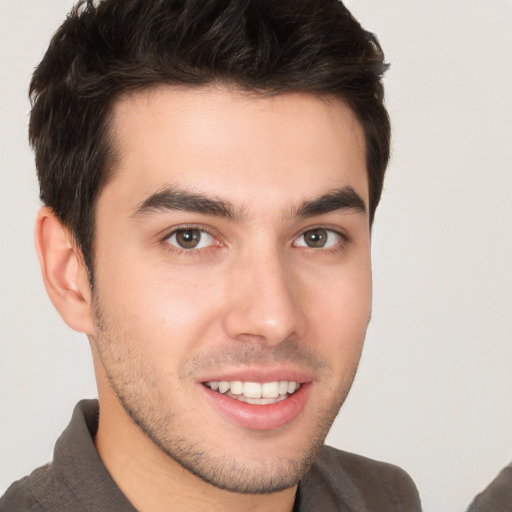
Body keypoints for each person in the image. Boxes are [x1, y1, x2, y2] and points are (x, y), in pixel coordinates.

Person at [0, 0, 422, 511]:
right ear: (70, 274)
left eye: (317, 237)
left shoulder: (382, 500)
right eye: (189, 238)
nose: (273, 317)